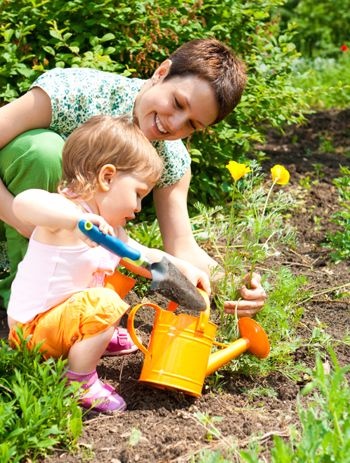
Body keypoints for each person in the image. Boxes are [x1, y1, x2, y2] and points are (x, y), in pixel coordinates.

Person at [0, 37, 266, 314]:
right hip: (13, 213)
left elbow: (182, 247)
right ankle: (27, 313)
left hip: (59, 261)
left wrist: (236, 285)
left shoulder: (171, 160)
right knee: (43, 151)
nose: (174, 124)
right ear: (161, 72)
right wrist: (19, 218)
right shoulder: (76, 92)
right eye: (177, 103)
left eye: (192, 124)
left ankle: (59, 314)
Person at [7, 115, 211, 413]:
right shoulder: (68, 213)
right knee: (105, 301)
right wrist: (74, 221)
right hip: (33, 331)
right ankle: (77, 381)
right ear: (107, 177)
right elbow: (24, 203)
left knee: (111, 284)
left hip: (61, 323)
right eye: (138, 194)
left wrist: (185, 269)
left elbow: (146, 258)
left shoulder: (112, 231)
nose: (139, 208)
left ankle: (89, 336)